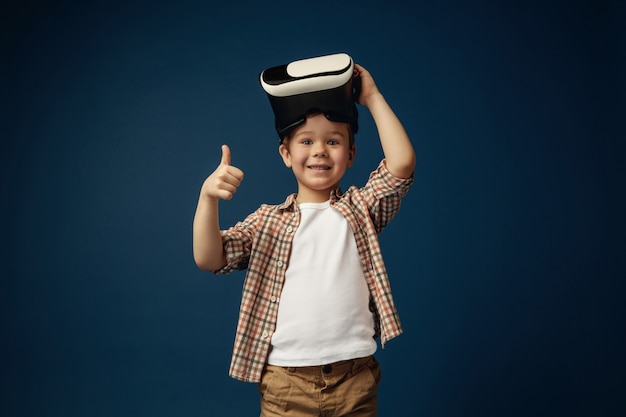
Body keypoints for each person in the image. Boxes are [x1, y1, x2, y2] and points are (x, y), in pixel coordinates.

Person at [193, 60, 416, 417]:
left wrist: (372, 98)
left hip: (354, 377)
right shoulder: (267, 222)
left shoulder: (361, 209)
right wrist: (207, 199)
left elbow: (401, 164)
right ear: (286, 154)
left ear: (351, 154)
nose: (319, 151)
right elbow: (210, 258)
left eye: (333, 141)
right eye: (306, 141)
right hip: (286, 382)